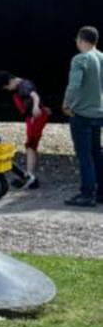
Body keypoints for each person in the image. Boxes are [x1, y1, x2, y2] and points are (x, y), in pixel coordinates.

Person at [62, 24, 103, 208]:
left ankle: (87, 193)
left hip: (82, 114)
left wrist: (66, 104)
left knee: (84, 155)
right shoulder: (101, 57)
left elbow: (74, 85)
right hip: (99, 112)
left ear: (81, 39)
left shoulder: (80, 59)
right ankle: (100, 192)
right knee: (97, 153)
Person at [0, 70, 49, 190]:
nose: (7, 89)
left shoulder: (23, 86)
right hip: (32, 117)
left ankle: (30, 176)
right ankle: (30, 175)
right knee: (31, 146)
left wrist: (36, 107)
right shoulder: (20, 86)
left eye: (7, 86)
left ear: (10, 81)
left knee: (30, 145)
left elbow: (34, 95)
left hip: (35, 117)